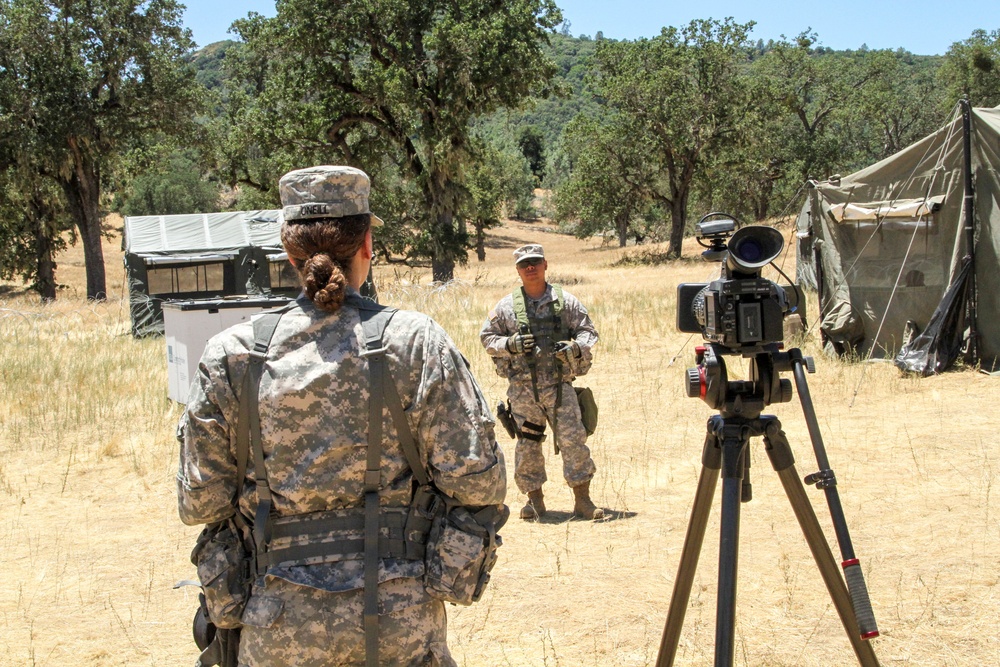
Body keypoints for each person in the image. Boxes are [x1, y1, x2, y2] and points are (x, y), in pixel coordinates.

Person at [176, 165, 506, 667]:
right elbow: (479, 484)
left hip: (275, 625)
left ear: (289, 254)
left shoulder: (232, 355)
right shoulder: (414, 342)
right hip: (401, 624)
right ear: (368, 245)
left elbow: (200, 502)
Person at [480, 243, 602, 521]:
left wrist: (574, 348)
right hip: (524, 391)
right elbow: (487, 338)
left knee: (574, 440)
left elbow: (588, 332)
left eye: (535, 262)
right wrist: (509, 344)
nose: (530, 268)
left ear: (545, 264)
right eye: (525, 264)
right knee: (528, 444)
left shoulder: (566, 302)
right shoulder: (506, 307)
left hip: (560, 387)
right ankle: (534, 502)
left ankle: (583, 501)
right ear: (518, 270)